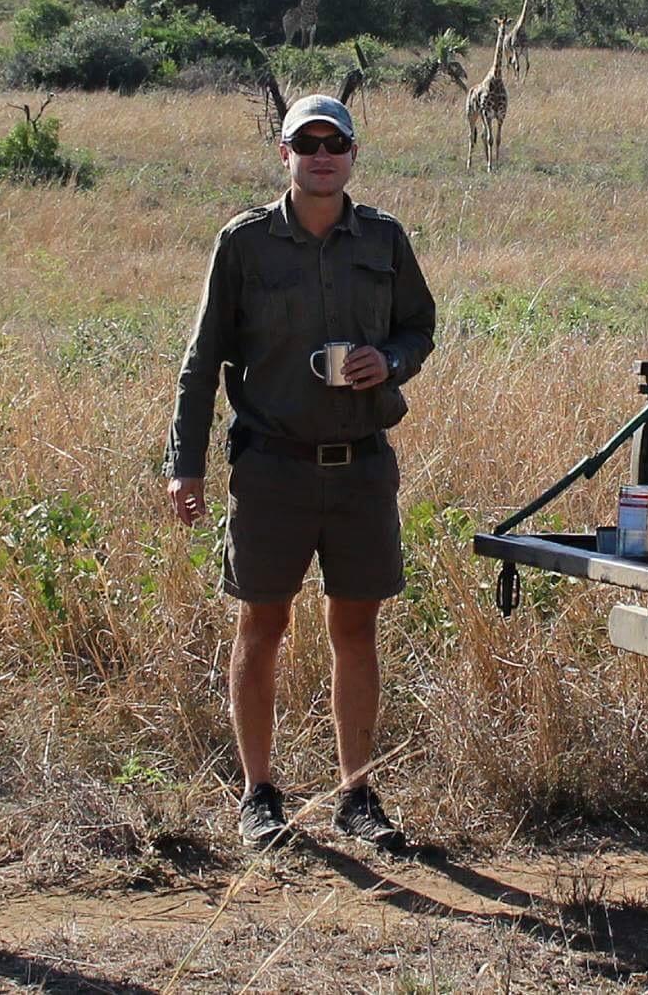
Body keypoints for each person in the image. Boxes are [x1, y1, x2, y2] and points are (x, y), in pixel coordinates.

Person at [166, 94, 435, 853]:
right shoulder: (245, 243)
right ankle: (258, 794)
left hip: (360, 468)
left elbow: (420, 325)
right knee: (262, 624)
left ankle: (358, 794)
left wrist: (393, 359)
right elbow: (202, 360)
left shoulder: (383, 238)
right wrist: (184, 465)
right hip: (272, 468)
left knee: (357, 626)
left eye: (335, 142)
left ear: (353, 153)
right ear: (283, 153)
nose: (322, 155)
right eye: (306, 143)